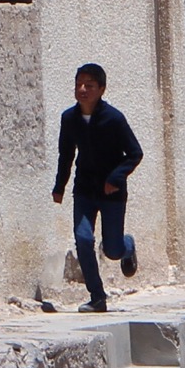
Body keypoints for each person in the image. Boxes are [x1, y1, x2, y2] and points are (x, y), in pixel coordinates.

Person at [51, 61, 141, 313]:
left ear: (101, 89)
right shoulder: (69, 119)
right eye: (78, 84)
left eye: (89, 85)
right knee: (83, 239)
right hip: (84, 190)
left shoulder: (114, 119)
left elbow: (135, 153)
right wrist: (59, 186)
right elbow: (66, 155)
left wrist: (115, 178)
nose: (82, 90)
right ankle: (97, 297)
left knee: (112, 250)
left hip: (112, 193)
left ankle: (127, 246)